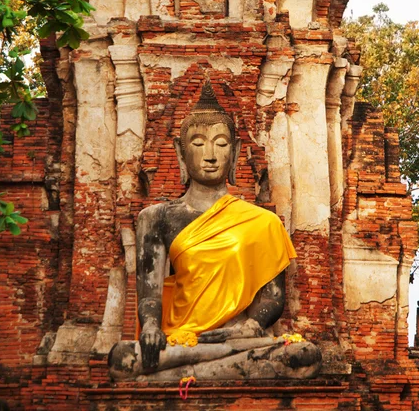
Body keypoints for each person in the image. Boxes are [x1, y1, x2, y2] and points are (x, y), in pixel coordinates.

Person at [109, 82, 321, 381]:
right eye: (198, 143)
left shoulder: (264, 222)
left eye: (221, 144)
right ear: (181, 154)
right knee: (123, 359)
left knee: (304, 354)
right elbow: (149, 295)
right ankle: (201, 369)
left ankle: (181, 374)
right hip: (182, 338)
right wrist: (152, 328)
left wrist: (252, 325)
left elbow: (273, 298)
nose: (210, 154)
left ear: (234, 154)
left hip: (238, 339)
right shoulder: (155, 218)